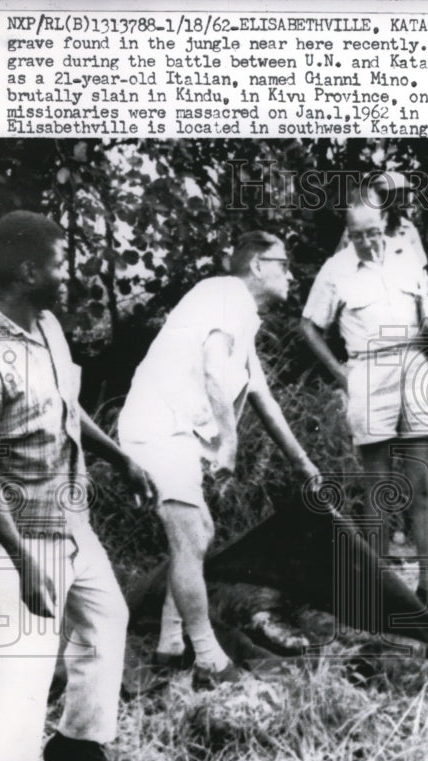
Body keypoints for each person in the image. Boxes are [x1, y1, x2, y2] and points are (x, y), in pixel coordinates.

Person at [0, 211, 155, 761]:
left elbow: (66, 407)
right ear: (29, 271)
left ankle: (76, 744)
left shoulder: (49, 327)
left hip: (73, 519)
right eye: (58, 263)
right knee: (25, 670)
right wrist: (23, 561)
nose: (68, 275)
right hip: (21, 534)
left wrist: (121, 457)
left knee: (106, 621)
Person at [118, 231, 322, 688]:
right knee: (191, 535)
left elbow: (260, 394)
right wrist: (227, 446)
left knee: (200, 532)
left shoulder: (238, 312)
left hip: (176, 432)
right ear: (257, 266)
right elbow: (213, 366)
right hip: (158, 427)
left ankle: (171, 646)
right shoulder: (227, 294)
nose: (290, 274)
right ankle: (209, 657)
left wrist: (302, 463)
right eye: (284, 264)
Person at [300, 189, 428, 617]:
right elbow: (309, 326)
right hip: (369, 372)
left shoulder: (406, 255)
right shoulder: (335, 271)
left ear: (385, 223)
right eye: (358, 235)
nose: (368, 242)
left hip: (416, 366)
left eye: (374, 232)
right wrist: (341, 374)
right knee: (379, 487)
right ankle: (379, 591)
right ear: (347, 232)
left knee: (424, 481)